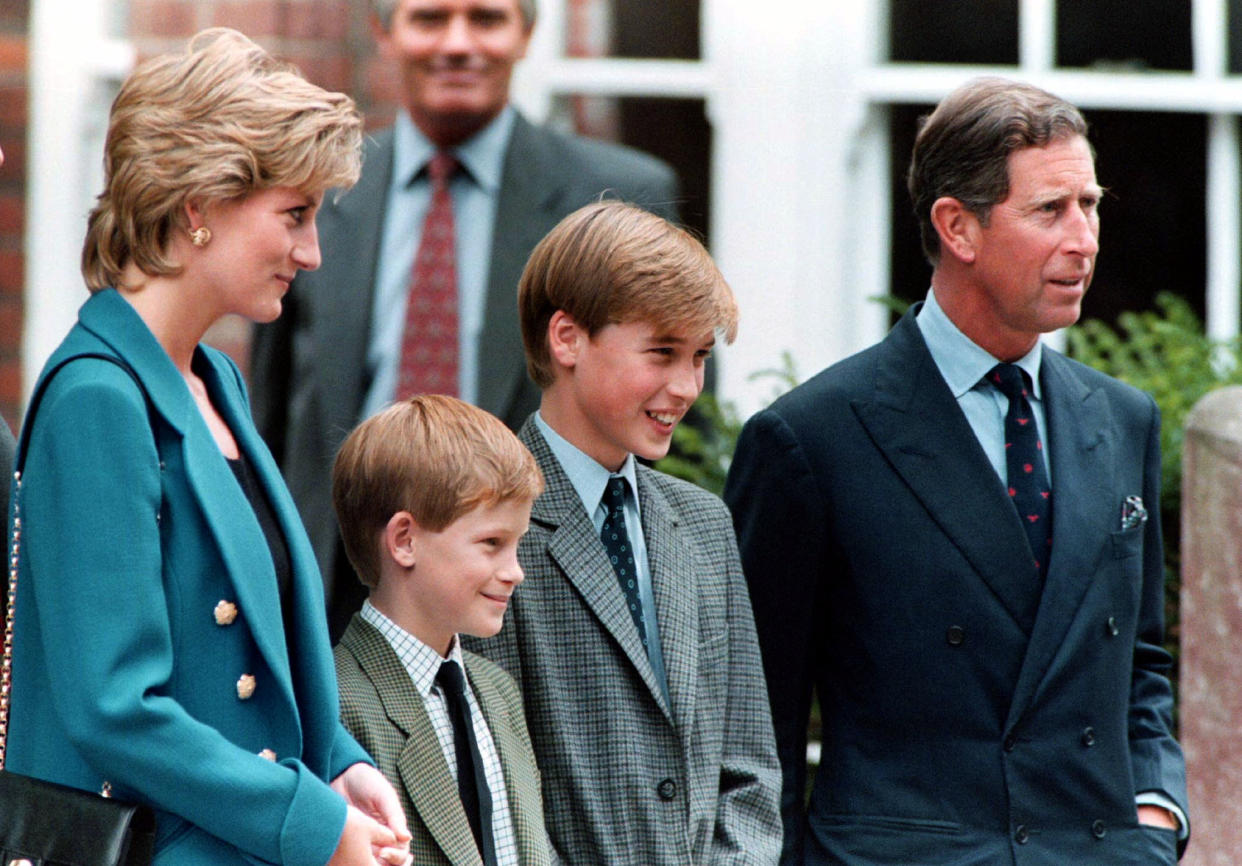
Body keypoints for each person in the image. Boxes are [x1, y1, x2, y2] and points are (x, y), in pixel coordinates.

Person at [724, 77, 1190, 865]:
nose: (1085, 238)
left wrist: (1156, 810)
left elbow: (1139, 658)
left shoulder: (1123, 419)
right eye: (1051, 211)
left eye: (1091, 203)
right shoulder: (811, 438)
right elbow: (750, 715)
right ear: (957, 227)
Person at [4, 29, 413, 865]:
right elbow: (114, 706)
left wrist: (338, 764)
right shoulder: (97, 398)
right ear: (198, 207)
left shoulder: (213, 379)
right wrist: (309, 823)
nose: (312, 252)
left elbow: (252, 649)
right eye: (293, 216)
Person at [248, 0, 680, 639]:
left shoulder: (616, 200)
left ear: (526, 34)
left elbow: (664, 426)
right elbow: (272, 416)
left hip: (532, 604)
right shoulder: (317, 192)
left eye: (485, 18)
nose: (456, 43)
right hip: (335, 605)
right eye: (429, 18)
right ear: (384, 33)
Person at [463, 200, 782, 864]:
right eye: (662, 353)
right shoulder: (483, 526)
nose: (687, 385)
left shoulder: (704, 525)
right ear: (567, 338)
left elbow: (748, 771)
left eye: (698, 357)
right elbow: (489, 782)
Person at [332, 394, 557, 865]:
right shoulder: (336, 702)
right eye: (492, 543)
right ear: (405, 540)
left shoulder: (498, 692)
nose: (515, 571)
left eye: (517, 544)